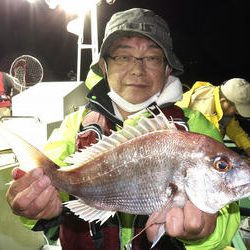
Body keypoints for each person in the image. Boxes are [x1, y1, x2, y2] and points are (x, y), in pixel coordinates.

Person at [6, 8, 240, 250]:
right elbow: (42, 198)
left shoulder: (196, 128)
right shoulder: (75, 125)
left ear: (167, 68)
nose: (137, 69)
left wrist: (205, 233)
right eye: (123, 57)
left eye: (152, 58)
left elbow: (227, 220)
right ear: (104, 67)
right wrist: (34, 206)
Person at [176, 78, 250, 157]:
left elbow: (232, 128)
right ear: (223, 102)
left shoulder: (218, 98)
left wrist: (248, 147)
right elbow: (211, 151)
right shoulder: (204, 113)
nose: (238, 113)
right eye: (236, 110)